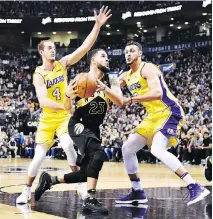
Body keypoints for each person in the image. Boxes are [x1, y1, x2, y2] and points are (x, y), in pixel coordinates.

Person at [16, 6, 111, 204]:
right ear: (41, 52)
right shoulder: (39, 74)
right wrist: (67, 105)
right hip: (48, 118)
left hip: (64, 118)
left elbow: (84, 48)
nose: (54, 50)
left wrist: (97, 26)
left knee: (69, 145)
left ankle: (80, 186)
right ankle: (26, 190)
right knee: (38, 158)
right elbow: (43, 101)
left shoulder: (62, 64)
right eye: (49, 48)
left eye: (54, 48)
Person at [115, 41, 210, 206]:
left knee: (157, 149)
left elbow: (158, 93)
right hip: (152, 116)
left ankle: (194, 186)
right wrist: (102, 87)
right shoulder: (125, 76)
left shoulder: (148, 68)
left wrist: (130, 99)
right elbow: (115, 91)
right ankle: (137, 191)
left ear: (140, 54)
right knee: (127, 148)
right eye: (126, 52)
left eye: (132, 51)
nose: (128, 54)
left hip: (169, 111)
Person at [34, 48, 123, 214]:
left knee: (85, 173)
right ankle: (90, 199)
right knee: (99, 155)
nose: (107, 59)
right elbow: (68, 109)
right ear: (93, 60)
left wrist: (104, 88)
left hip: (94, 129)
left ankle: (50, 180)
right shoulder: (80, 79)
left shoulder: (112, 80)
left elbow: (121, 102)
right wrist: (67, 96)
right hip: (78, 125)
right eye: (103, 56)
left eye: (107, 56)